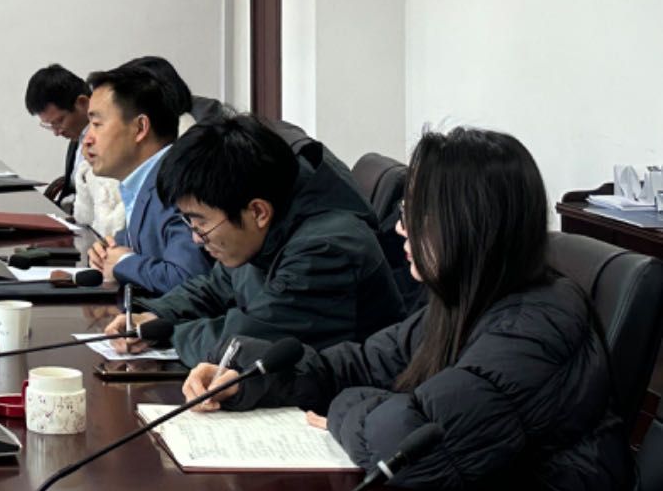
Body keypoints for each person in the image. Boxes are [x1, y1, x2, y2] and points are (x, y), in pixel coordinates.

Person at [181, 128, 636, 491]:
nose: (401, 227)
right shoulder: (463, 301)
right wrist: (251, 376)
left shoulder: (537, 328)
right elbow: (359, 364)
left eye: (415, 213)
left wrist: (342, 407)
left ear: (465, 222)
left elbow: (407, 444)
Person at [106, 113, 403, 366]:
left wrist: (168, 332)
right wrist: (156, 314)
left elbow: (247, 343)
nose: (196, 239)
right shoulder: (265, 221)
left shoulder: (326, 249)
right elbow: (215, 287)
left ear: (258, 212)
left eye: (201, 223)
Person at [80, 64, 210, 294]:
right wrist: (104, 253)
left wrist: (122, 263)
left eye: (97, 124)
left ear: (140, 128)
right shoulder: (143, 181)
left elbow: (188, 279)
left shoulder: (178, 184)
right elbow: (132, 248)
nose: (87, 139)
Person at [25, 64, 124, 236]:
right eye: (50, 125)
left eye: (59, 121)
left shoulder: (108, 142)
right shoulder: (76, 137)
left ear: (82, 103)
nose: (56, 132)